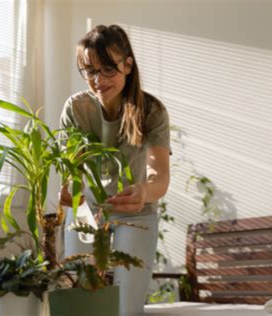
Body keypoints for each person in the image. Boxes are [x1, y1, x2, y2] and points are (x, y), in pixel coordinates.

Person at [58, 24, 170, 316]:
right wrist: (72, 188)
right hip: (87, 206)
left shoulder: (152, 111)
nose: (98, 80)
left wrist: (144, 191)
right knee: (82, 300)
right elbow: (73, 170)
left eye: (107, 68)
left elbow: (160, 177)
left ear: (127, 65)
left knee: (126, 306)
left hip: (136, 209)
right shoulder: (77, 109)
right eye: (90, 70)